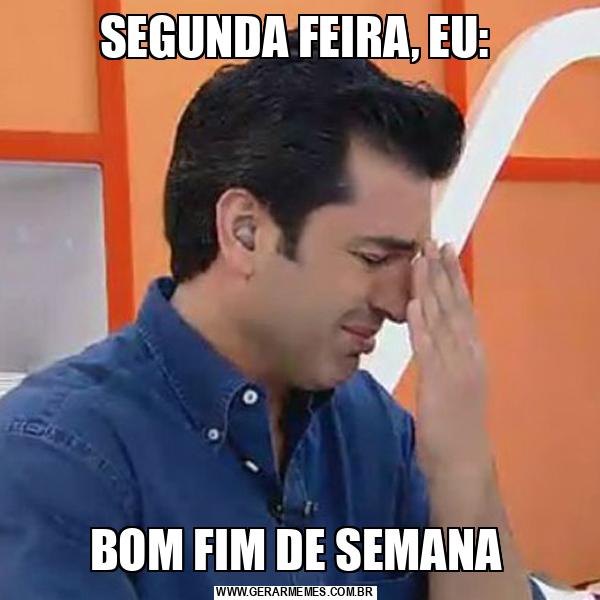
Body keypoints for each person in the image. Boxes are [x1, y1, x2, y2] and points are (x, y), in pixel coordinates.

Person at [0, 39, 543, 599]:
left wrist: (462, 466)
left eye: (413, 263)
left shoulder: (375, 432)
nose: (400, 302)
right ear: (245, 233)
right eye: (373, 258)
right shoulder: (55, 457)